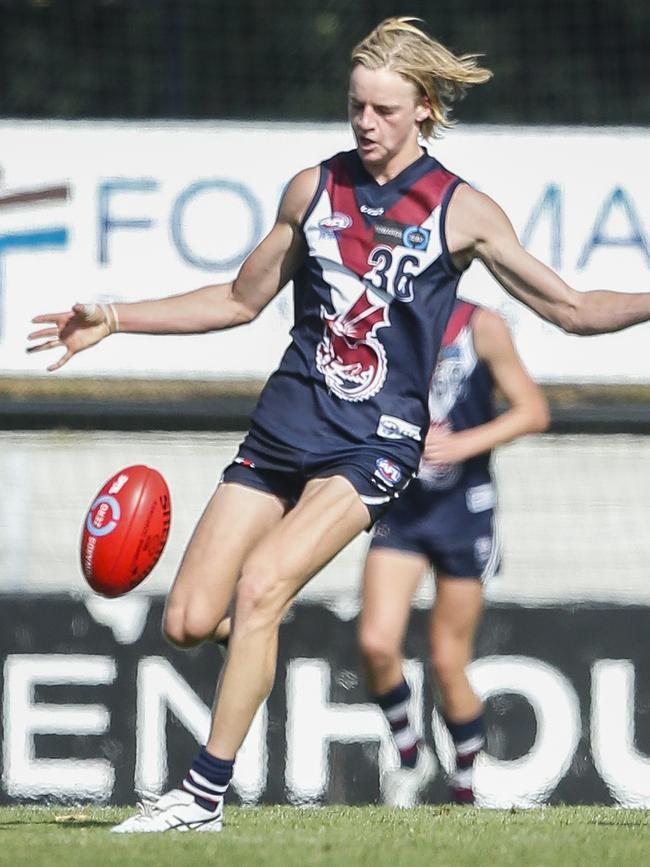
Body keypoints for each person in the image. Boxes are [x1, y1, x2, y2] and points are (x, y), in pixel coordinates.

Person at [25, 16, 650, 832]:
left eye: (383, 110)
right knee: (186, 620)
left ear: (424, 107)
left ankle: (200, 797)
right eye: (355, 105)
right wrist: (114, 314)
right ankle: (257, 638)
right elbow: (236, 300)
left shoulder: (461, 210)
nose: (364, 123)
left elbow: (572, 308)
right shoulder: (312, 188)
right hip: (283, 428)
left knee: (260, 588)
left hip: (373, 443)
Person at [358, 298, 549, 808]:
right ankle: (407, 755)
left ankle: (465, 782)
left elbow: (533, 410)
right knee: (377, 642)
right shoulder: (381, 322)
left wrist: (463, 444)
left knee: (447, 660)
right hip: (403, 503)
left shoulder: (480, 327)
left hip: (463, 509)